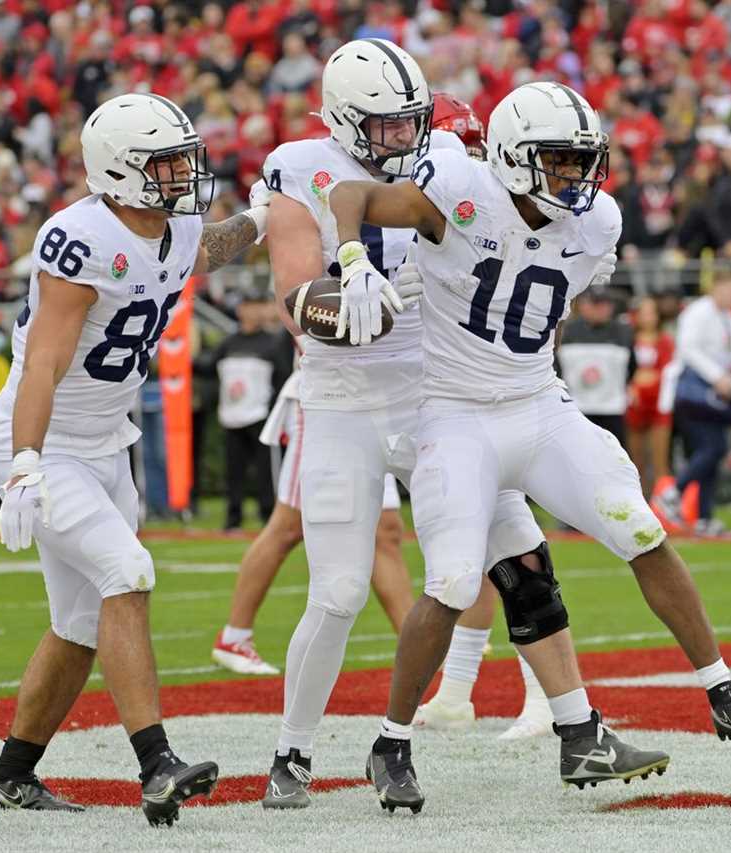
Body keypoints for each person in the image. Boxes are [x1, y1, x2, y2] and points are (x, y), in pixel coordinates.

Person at [329, 80, 731, 815]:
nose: (575, 176)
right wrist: (353, 260)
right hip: (456, 413)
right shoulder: (458, 189)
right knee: (450, 582)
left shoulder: (597, 219)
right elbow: (351, 194)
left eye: (581, 161)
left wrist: (543, 378)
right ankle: (392, 741)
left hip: (537, 402)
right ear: (510, 158)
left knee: (640, 525)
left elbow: (547, 309)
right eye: (558, 161)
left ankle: (721, 689)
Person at [253, 42, 552, 810]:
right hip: (344, 400)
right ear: (346, 121)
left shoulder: (448, 154)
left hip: (440, 396)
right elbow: (295, 297)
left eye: (411, 121)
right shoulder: (298, 165)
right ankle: (293, 750)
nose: (404, 138)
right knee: (341, 590)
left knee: (514, 544)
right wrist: (349, 307)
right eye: (386, 126)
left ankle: (565, 713)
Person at [0, 92, 267, 824]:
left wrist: (262, 218)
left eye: (183, 160)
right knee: (127, 571)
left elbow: (201, 250)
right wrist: (26, 461)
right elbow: (41, 364)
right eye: (166, 163)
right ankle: (157, 763)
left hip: (107, 442)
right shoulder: (80, 237)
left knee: (79, 623)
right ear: (118, 169)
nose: (182, 175)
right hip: (43, 441)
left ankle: (11, 775)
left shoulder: (174, 223)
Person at [412, 93, 558, 741]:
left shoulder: (468, 197)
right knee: (463, 552)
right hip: (431, 395)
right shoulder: (451, 195)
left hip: (475, 397)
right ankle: (458, 691)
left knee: (508, 541)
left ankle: (547, 693)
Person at [209, 335, 415, 677]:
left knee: (386, 530)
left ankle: (416, 646)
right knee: (287, 526)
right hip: (327, 398)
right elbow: (298, 307)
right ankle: (234, 636)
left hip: (376, 399)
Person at [651, 271, 731, 538]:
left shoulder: (727, 318)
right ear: (717, 287)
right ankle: (673, 493)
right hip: (692, 393)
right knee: (712, 449)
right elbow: (688, 349)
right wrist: (718, 377)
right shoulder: (698, 312)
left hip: (714, 396)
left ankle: (704, 517)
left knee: (714, 451)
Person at [212, 289, 291, 531]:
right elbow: (210, 366)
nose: (254, 311)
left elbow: (283, 377)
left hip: (261, 416)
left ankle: (268, 515)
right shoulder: (229, 342)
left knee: (266, 470)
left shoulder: (273, 343)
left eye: (259, 305)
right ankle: (233, 518)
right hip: (232, 417)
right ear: (240, 309)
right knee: (234, 470)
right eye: (249, 305)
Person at [556, 285, 635, 447]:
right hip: (577, 408)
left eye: (606, 304)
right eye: (596, 304)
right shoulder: (568, 331)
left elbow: (632, 367)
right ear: (584, 305)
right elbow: (558, 368)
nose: (603, 309)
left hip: (612, 408)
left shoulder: (623, 331)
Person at [626, 296, 675, 497]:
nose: (647, 317)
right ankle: (640, 501)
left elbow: (666, 370)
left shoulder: (665, 341)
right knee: (636, 461)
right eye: (643, 313)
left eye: (651, 312)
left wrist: (642, 376)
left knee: (659, 459)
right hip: (634, 404)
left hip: (658, 404)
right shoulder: (630, 339)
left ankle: (662, 503)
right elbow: (627, 371)